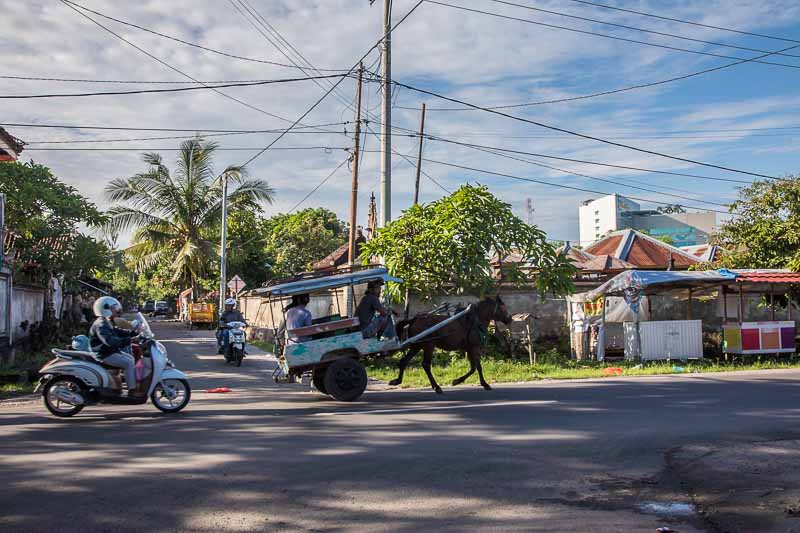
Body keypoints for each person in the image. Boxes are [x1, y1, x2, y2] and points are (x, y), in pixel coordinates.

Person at [88, 296, 141, 396]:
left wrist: (133, 333)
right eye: (113, 309)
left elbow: (117, 331)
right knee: (128, 362)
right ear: (105, 309)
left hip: (108, 351)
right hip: (103, 354)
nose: (116, 311)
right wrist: (130, 340)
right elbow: (109, 341)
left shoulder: (106, 321)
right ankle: (132, 390)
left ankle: (120, 387)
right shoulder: (101, 324)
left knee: (130, 358)